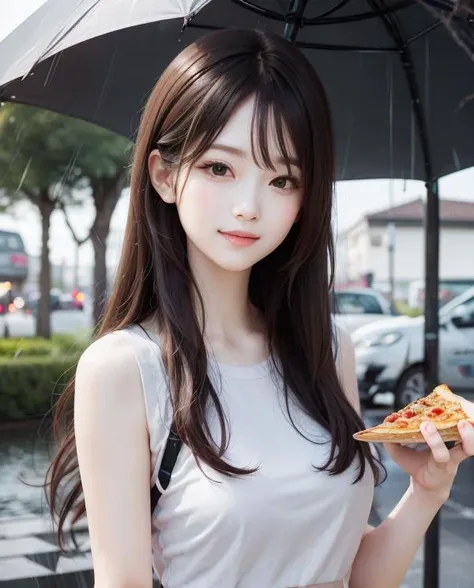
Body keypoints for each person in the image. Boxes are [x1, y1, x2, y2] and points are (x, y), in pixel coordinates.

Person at [46, 28, 474, 588]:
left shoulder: (327, 347)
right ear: (164, 175)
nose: (248, 207)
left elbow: (353, 575)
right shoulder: (126, 368)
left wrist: (426, 492)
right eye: (220, 168)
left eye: (282, 178)